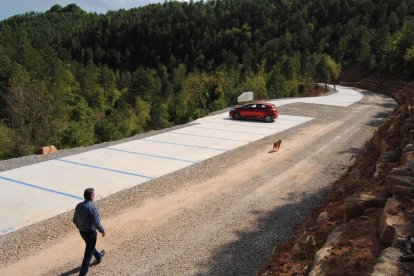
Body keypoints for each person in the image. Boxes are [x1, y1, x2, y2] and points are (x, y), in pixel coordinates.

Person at [73, 188, 106, 276]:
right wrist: (103, 231)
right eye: (94, 194)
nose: (95, 195)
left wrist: (80, 227)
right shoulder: (92, 208)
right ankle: (82, 273)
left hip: (82, 232)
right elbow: (96, 223)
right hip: (91, 233)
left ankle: (99, 257)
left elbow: (75, 219)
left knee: (90, 247)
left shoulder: (79, 206)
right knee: (88, 255)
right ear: (92, 196)